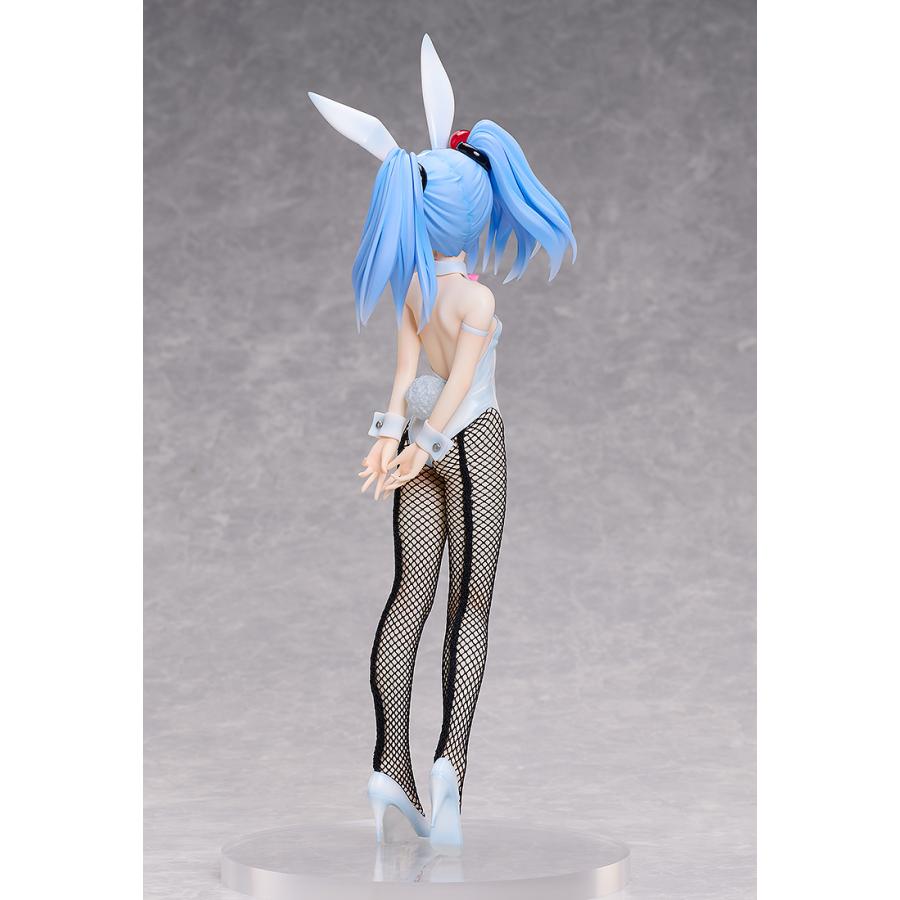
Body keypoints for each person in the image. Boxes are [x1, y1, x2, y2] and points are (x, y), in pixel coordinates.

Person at [309, 34, 576, 848]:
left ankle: (388, 766)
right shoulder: (476, 302)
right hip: (469, 438)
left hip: (423, 437)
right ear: (474, 210)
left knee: (409, 596)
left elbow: (404, 378)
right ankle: (449, 765)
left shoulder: (415, 292)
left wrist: (389, 437)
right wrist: (422, 442)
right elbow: (460, 388)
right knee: (471, 603)